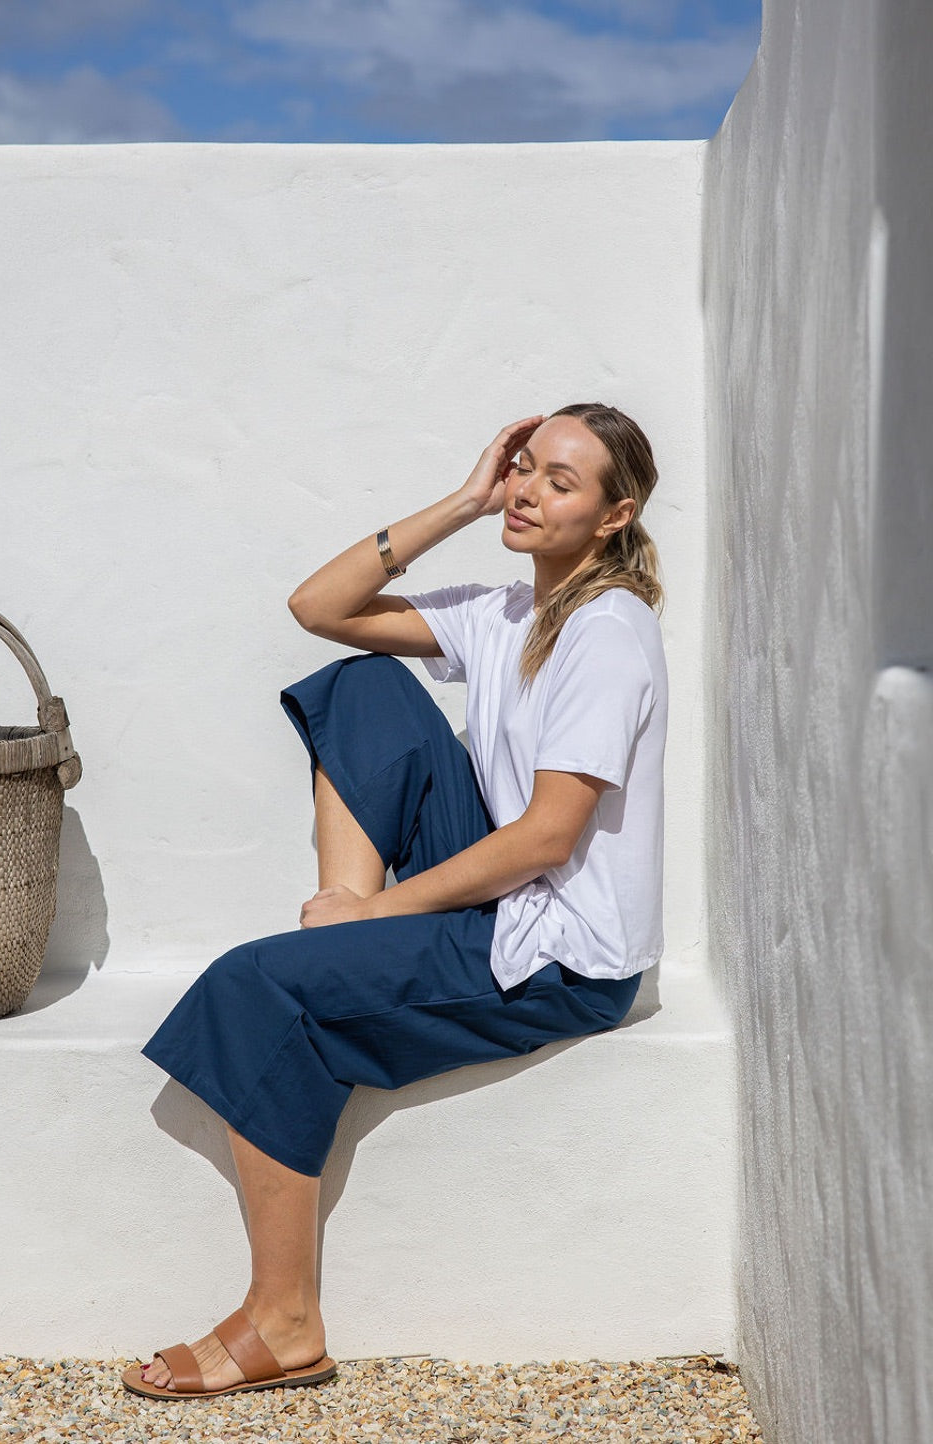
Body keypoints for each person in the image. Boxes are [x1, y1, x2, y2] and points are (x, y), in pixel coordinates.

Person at [121, 403, 668, 1401]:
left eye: (560, 482)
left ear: (610, 515)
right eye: (523, 469)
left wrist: (380, 918)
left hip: (560, 951)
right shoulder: (508, 611)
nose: (527, 491)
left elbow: (549, 836)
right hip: (508, 896)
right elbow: (319, 605)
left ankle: (284, 1320)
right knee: (364, 683)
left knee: (254, 987)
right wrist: (463, 499)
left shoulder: (606, 633)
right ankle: (341, 947)